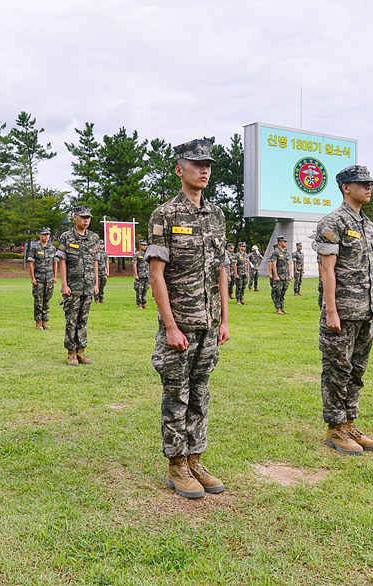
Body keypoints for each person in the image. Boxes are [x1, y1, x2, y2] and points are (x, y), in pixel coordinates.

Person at [146, 138, 229, 499]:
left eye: (207, 164)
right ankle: (176, 464)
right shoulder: (165, 215)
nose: (204, 170)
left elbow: (222, 269)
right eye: (197, 164)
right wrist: (170, 326)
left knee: (200, 393)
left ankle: (196, 458)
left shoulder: (216, 215)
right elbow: (155, 274)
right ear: (180, 169)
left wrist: (225, 319)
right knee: (176, 394)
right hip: (180, 324)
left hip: (209, 323)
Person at [315, 165, 373, 455]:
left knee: (357, 371)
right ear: (346, 187)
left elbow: (372, 271)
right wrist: (331, 310)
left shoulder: (367, 225)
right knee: (337, 371)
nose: (369, 188)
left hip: (365, 311)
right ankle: (335, 428)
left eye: (370, 183)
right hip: (341, 311)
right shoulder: (333, 222)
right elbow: (326, 270)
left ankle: (350, 422)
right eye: (362, 183)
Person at [56, 205, 99, 366]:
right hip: (72, 287)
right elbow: (63, 262)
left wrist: (96, 283)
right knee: (71, 320)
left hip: (88, 286)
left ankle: (81, 351)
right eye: (83, 217)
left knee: (83, 320)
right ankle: (71, 353)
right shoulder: (67, 237)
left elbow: (96, 260)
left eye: (88, 217)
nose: (86, 220)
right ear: (75, 217)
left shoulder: (94, 237)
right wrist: (64, 284)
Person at [27, 227, 57, 329]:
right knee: (38, 301)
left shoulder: (52, 248)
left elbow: (55, 263)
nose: (46, 236)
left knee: (47, 301)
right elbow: (31, 263)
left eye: (48, 234)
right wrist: (33, 277)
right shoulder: (35, 248)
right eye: (44, 234)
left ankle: (45, 321)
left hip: (49, 279)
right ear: (40, 235)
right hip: (39, 279)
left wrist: (55, 276)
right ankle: (38, 322)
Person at [269, 236, 291, 314]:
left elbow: (288, 264)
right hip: (279, 276)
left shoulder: (286, 253)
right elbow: (274, 264)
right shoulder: (276, 252)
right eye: (284, 242)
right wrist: (276, 275)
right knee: (277, 292)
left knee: (283, 292)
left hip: (285, 276)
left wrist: (289, 275)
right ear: (280, 242)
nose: (286, 243)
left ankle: (282, 307)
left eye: (286, 242)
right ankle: (277, 308)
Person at [133, 239, 150, 309]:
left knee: (145, 289)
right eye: (143, 245)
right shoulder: (137, 254)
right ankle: (139, 304)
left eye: (145, 245)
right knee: (139, 289)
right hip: (140, 274)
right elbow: (134, 264)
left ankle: (144, 303)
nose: (144, 246)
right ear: (139, 246)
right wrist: (136, 274)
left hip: (147, 274)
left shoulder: (147, 254)